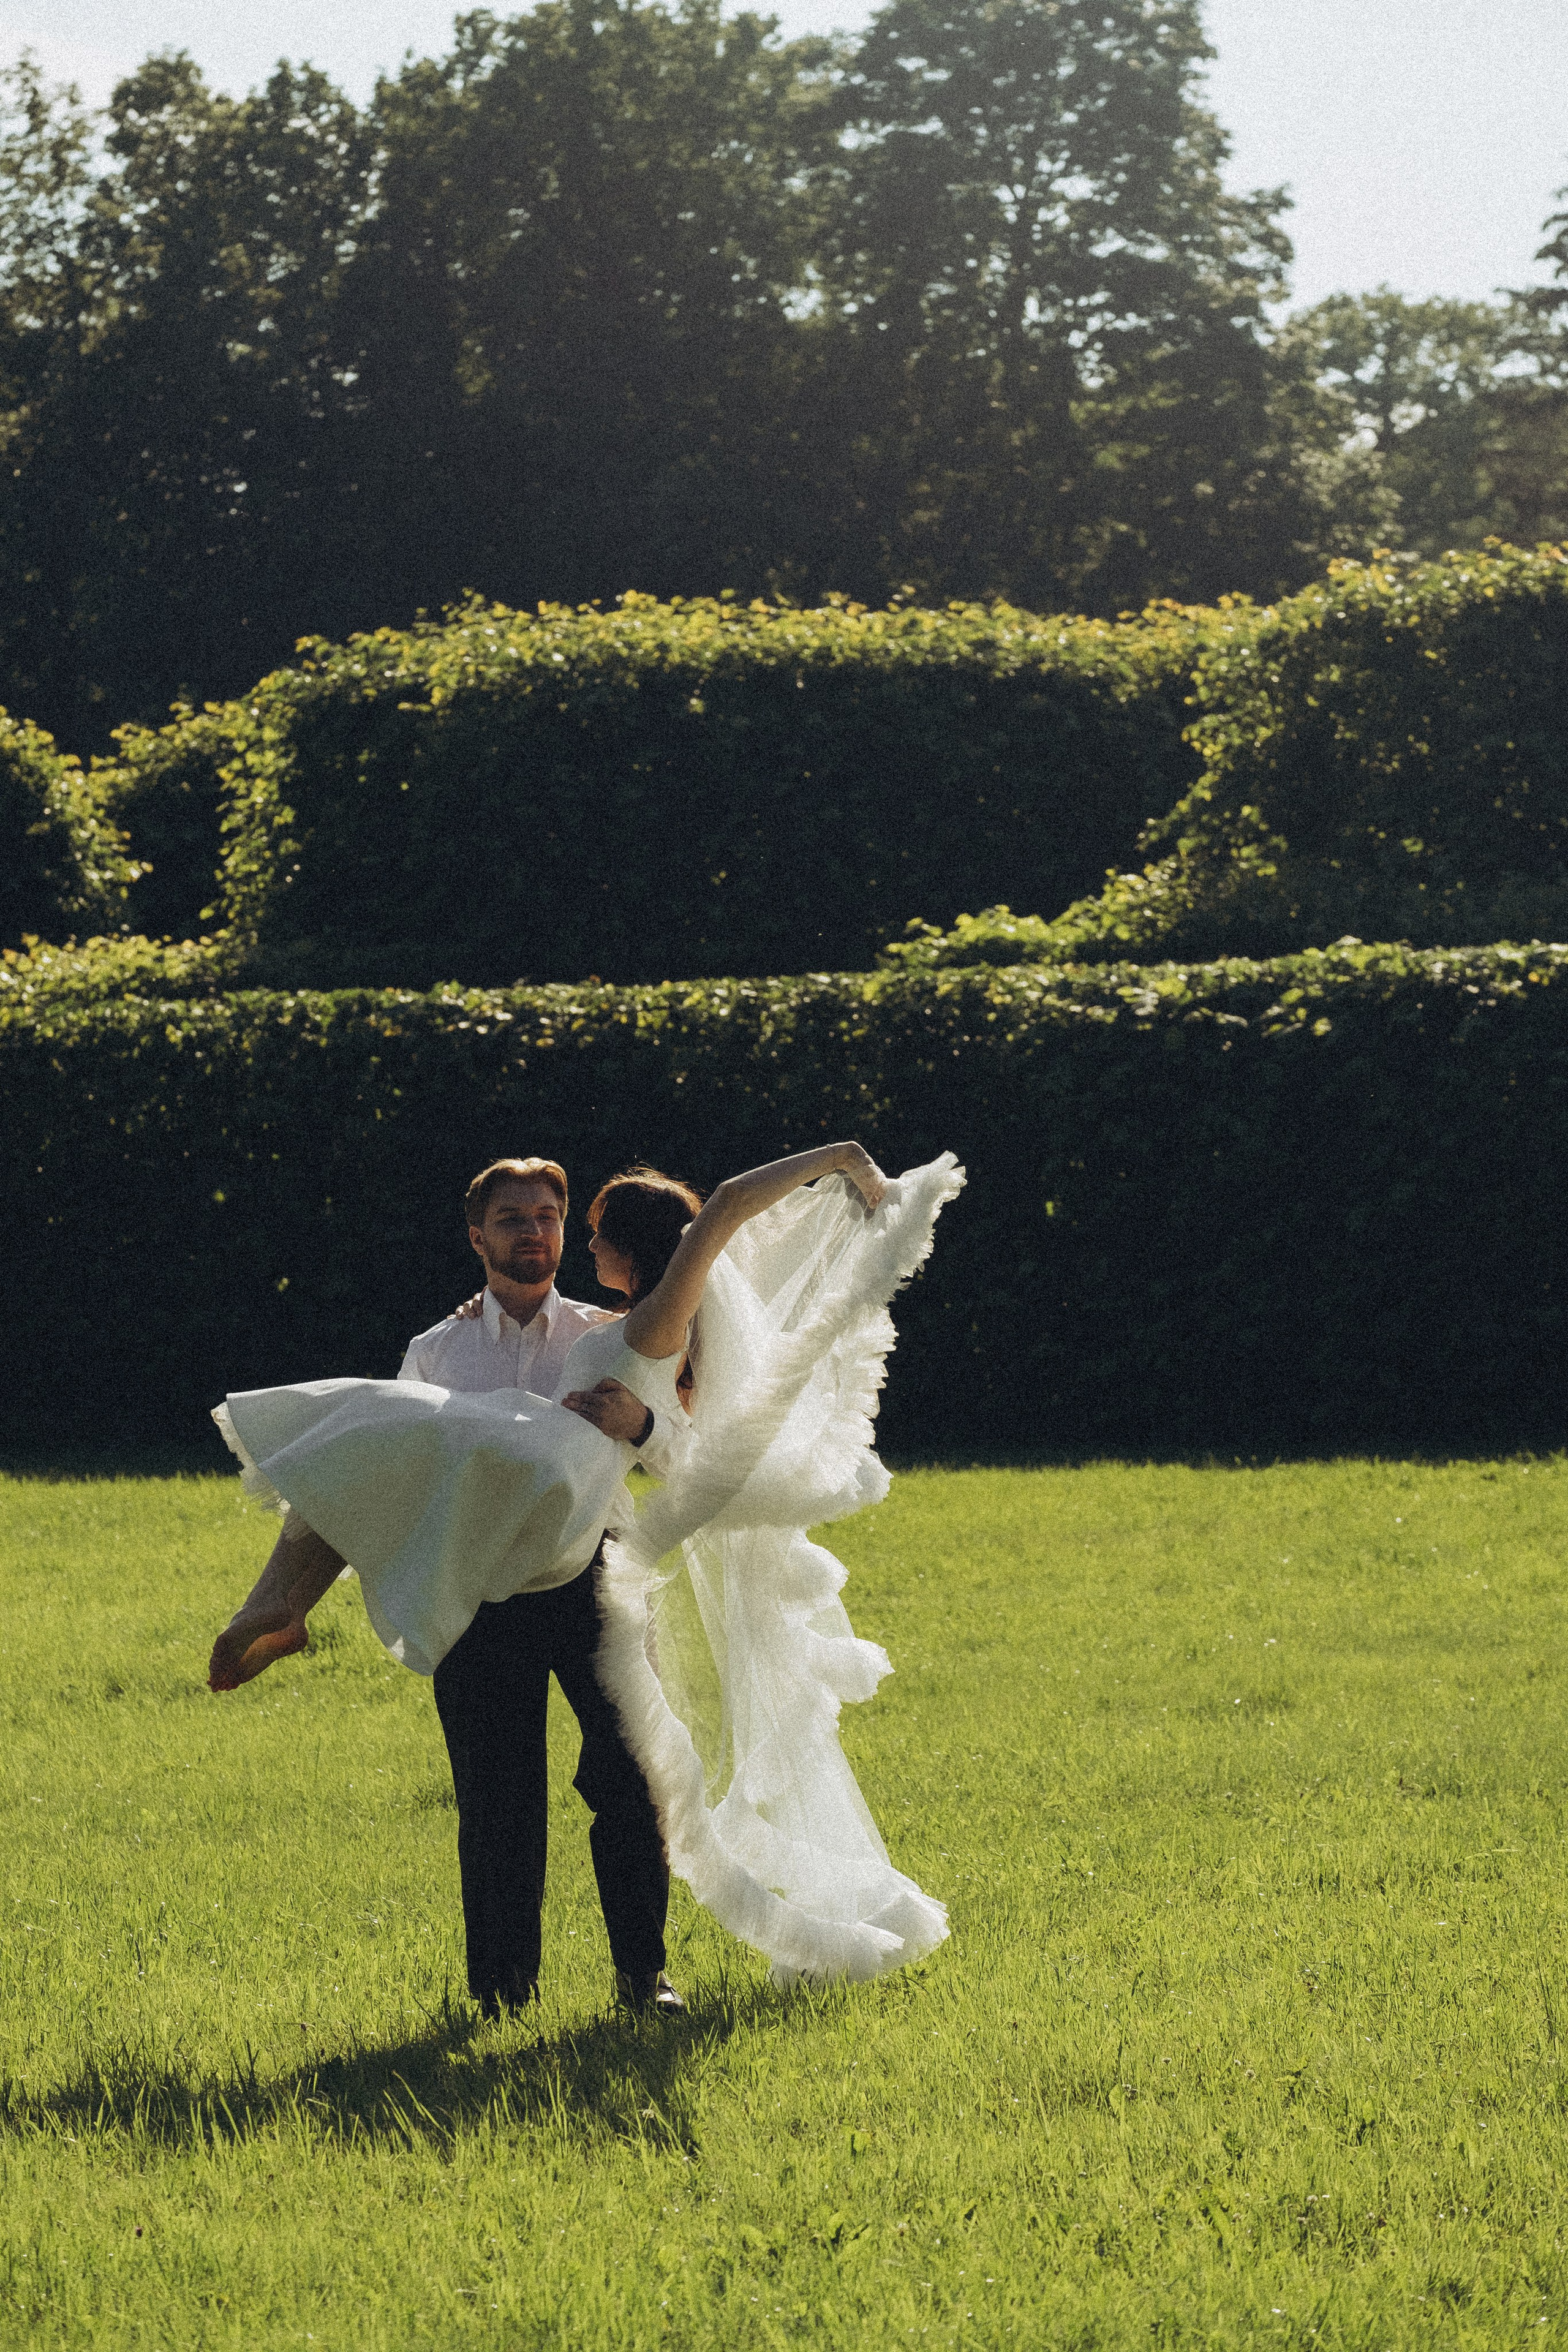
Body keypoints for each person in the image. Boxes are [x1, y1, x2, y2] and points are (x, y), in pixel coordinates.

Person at [207, 1140, 921, 2011]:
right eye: (514, 1219)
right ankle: (503, 1992)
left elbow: (693, 1460)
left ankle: (643, 1976)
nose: (540, 1234)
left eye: (552, 1218)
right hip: (484, 1588)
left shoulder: (611, 1327)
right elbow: (400, 1484)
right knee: (496, 1798)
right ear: (477, 1237)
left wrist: (642, 1424)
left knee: (632, 1781)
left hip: (595, 1581)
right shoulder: (436, 1350)